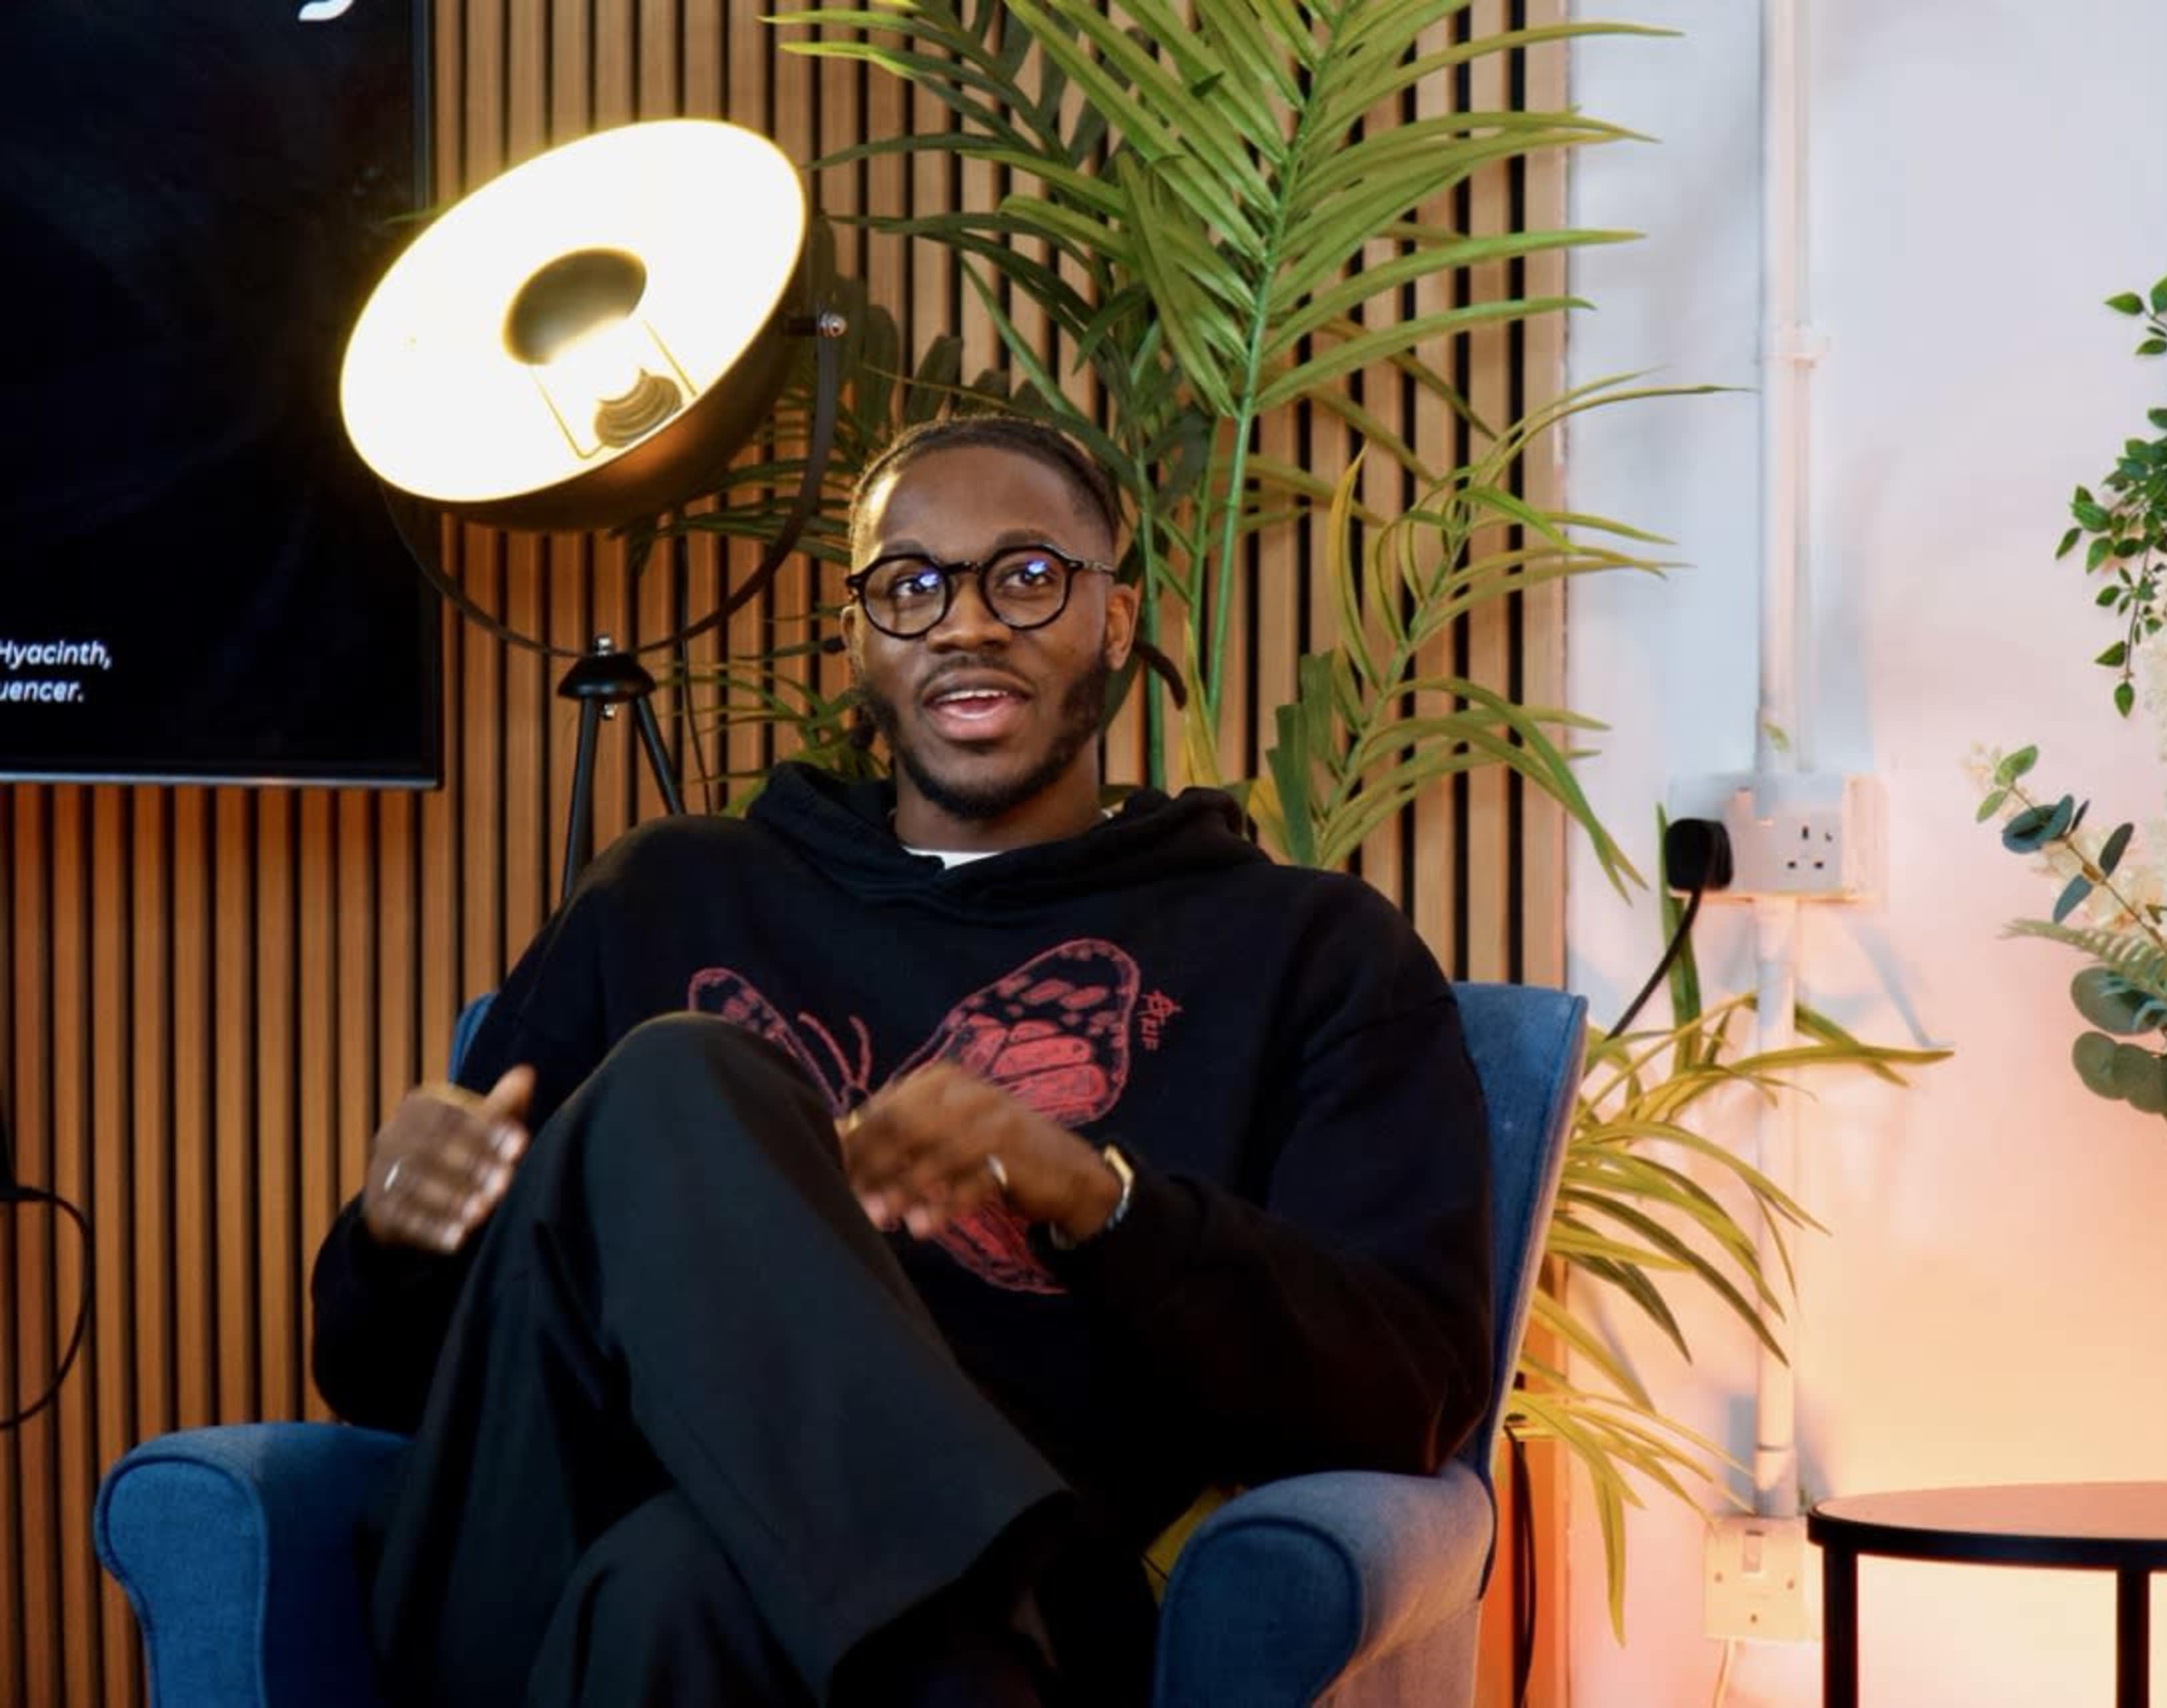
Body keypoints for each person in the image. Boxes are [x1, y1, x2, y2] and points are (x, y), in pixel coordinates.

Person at [308, 415, 1496, 1706]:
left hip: (773, 1621)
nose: (966, 623)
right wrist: (396, 1237)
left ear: (1115, 618)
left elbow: (1408, 1395)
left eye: (1028, 575)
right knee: (680, 1081)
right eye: (911, 585)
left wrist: (1100, 1200)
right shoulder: (672, 893)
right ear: (857, 638)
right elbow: (384, 1377)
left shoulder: (1303, 950)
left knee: (681, 1581)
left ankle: (940, 1625)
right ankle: (951, 1622)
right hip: (534, 1559)